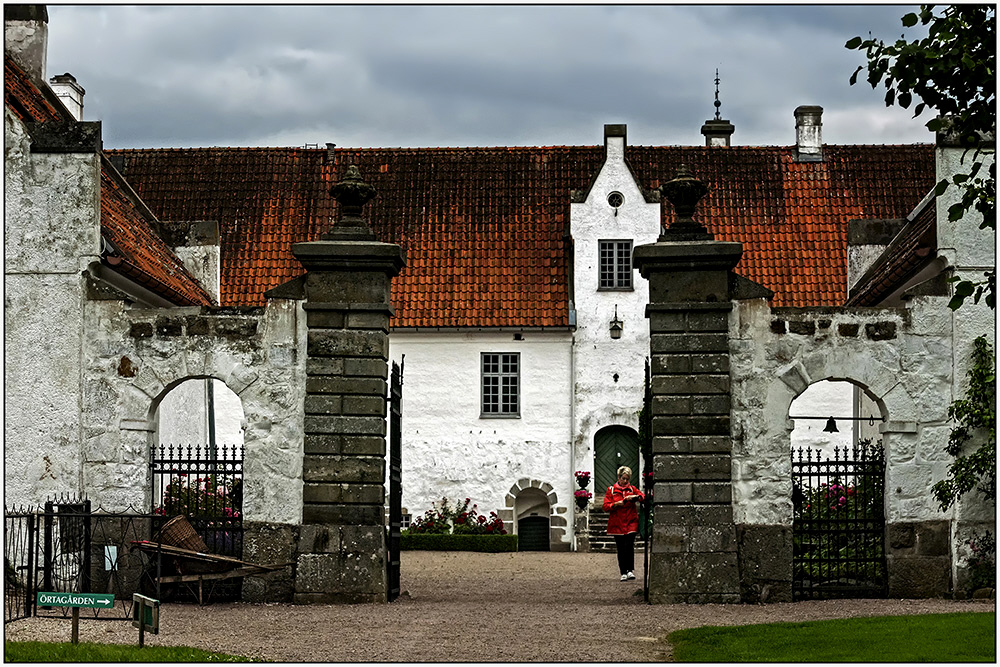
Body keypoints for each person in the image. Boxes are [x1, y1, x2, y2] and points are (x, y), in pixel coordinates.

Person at [602, 465, 645, 581]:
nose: (625, 481)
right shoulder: (611, 490)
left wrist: (636, 497)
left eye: (627, 479)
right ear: (619, 478)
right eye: (623, 478)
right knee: (621, 548)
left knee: (629, 546)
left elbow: (643, 497)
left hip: (631, 521)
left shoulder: (632, 489)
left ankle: (630, 570)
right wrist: (615, 505)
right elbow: (605, 506)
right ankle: (623, 572)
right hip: (617, 523)